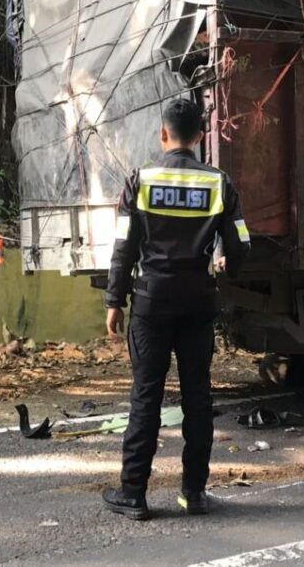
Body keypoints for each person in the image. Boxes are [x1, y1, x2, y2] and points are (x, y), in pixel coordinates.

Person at [102, 99, 251, 520]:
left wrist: (114, 300)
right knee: (198, 398)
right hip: (198, 302)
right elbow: (240, 241)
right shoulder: (219, 183)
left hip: (150, 302)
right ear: (201, 138)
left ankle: (133, 494)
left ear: (163, 135)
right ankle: (194, 493)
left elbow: (123, 247)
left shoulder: (140, 180)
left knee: (146, 397)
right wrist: (229, 265)